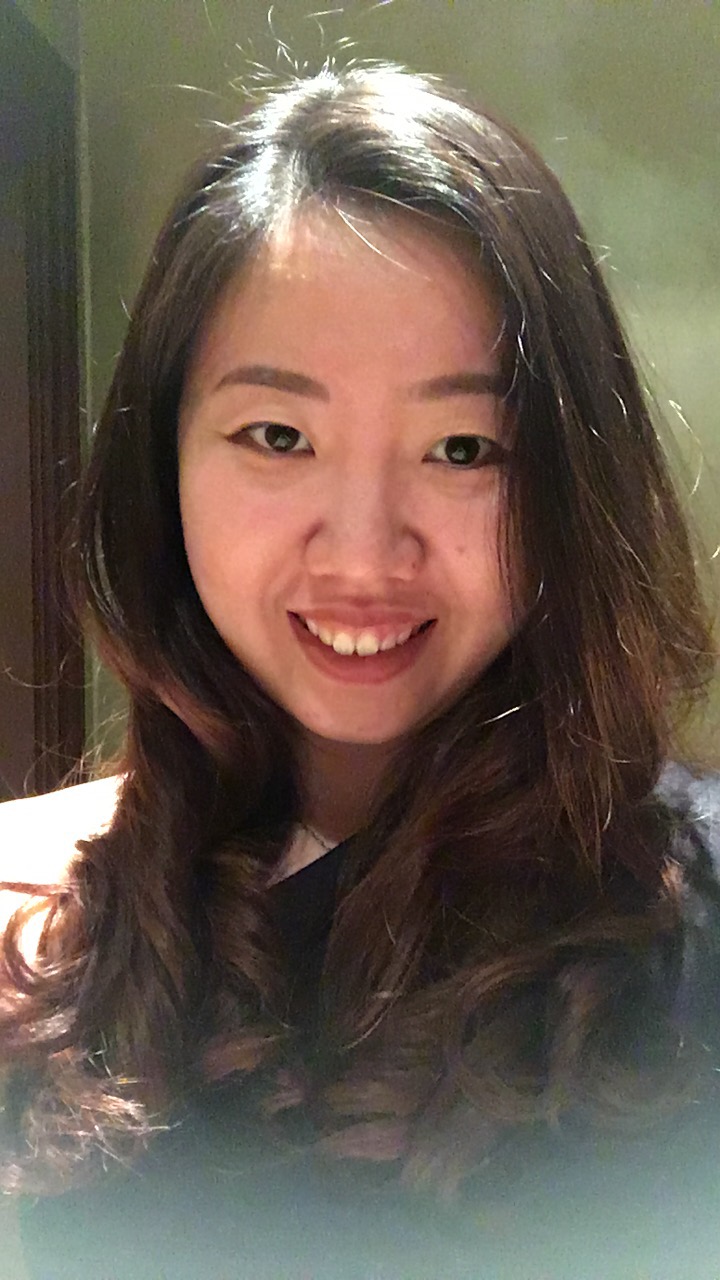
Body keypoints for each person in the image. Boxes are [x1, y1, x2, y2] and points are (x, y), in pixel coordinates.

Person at [1, 64, 719, 1279]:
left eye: (463, 448)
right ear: (162, 463)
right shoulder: (43, 921)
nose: (365, 553)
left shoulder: (682, 921)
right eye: (278, 435)